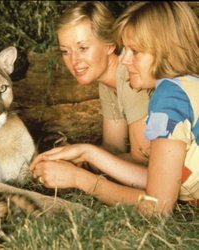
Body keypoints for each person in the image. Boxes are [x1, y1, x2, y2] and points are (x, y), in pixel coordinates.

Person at [31, 1, 199, 215]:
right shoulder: (186, 86)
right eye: (65, 51)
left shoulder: (168, 96)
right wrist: (86, 153)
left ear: (164, 49)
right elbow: (158, 174)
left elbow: (157, 206)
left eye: (135, 51)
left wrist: (79, 178)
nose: (125, 59)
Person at [55, 1, 150, 163]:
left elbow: (143, 161)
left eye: (83, 48)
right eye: (65, 51)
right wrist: (69, 158)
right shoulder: (107, 84)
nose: (74, 61)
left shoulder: (130, 78)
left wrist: (81, 164)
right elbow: (114, 149)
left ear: (110, 45)